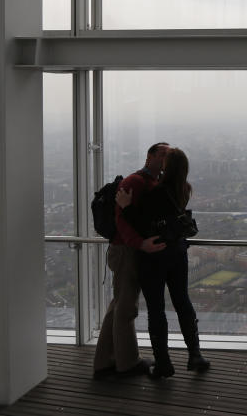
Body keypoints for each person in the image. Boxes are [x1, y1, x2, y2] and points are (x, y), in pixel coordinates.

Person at [117, 147, 210, 378]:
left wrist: (126, 207)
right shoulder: (184, 189)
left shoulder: (156, 192)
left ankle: (163, 363)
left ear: (166, 167)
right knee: (182, 302)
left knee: (156, 310)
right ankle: (195, 354)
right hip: (177, 253)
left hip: (154, 256)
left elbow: (142, 223)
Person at [92, 142, 169, 378]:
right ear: (150, 156)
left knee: (119, 306)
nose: (166, 160)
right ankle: (127, 363)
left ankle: (105, 361)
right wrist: (140, 244)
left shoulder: (149, 181)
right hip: (126, 251)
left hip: (125, 249)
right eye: (162, 154)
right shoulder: (135, 182)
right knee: (126, 308)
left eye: (169, 156)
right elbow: (121, 221)